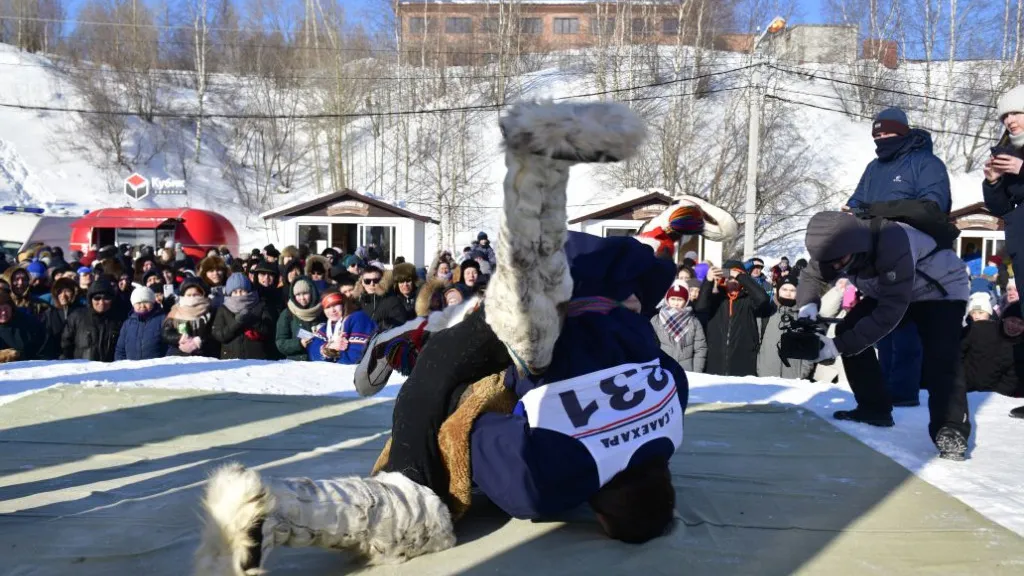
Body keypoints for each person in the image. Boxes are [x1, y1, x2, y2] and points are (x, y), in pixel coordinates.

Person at [194, 101, 689, 573]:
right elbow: (473, 434)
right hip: (526, 336)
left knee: (561, 304)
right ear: (599, 515)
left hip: (592, 298)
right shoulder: (552, 482)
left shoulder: (674, 411)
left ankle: (638, 249)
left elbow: (657, 361)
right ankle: (294, 503)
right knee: (422, 472)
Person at [794, 211, 969, 460]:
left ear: (855, 246)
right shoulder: (834, 247)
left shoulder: (892, 240)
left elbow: (889, 313)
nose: (833, 266)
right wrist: (807, 308)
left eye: (838, 261)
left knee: (942, 354)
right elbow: (812, 275)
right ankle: (873, 408)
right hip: (890, 290)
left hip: (940, 290)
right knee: (848, 330)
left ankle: (950, 428)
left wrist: (835, 347)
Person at [846, 107, 951, 213]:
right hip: (870, 229)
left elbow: (933, 207)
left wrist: (882, 212)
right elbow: (856, 201)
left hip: (906, 229)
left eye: (887, 133)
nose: (882, 138)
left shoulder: (927, 163)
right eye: (877, 135)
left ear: (901, 134)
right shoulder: (872, 167)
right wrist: (851, 211)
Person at [694, 259, 771, 377]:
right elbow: (700, 307)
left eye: (737, 279)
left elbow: (763, 299)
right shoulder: (716, 298)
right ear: (723, 280)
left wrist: (738, 275)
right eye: (729, 278)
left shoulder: (748, 300)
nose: (733, 281)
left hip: (743, 363)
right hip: (715, 363)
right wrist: (708, 280)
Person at [984, 84, 1024, 297]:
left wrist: (1022, 169)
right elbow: (1003, 210)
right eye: (1005, 116)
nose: (1010, 120)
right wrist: (993, 183)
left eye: (1016, 112)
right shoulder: (1008, 152)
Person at [757, 275, 815, 380]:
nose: (788, 293)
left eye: (792, 290)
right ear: (778, 290)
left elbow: (810, 351)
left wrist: (802, 374)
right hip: (765, 377)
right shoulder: (766, 313)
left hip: (793, 380)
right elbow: (755, 343)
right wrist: (759, 369)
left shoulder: (805, 317)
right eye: (784, 289)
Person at [212, 273, 277, 360]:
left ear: (249, 290)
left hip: (258, 361)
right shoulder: (223, 309)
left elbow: (269, 330)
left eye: (242, 291)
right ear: (229, 293)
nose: (239, 295)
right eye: (235, 292)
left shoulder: (261, 305)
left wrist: (251, 320)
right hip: (231, 360)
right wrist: (237, 323)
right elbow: (219, 335)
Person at [309, 287, 376, 364]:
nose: (332, 310)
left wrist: (336, 352)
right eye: (328, 307)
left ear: (344, 304)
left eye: (335, 305)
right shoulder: (325, 328)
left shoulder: (358, 319)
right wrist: (328, 348)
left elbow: (356, 357)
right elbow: (312, 354)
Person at [61, 278, 122, 362]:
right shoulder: (77, 317)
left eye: (106, 298)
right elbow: (66, 345)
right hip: (83, 369)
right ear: (90, 299)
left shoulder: (119, 319)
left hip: (110, 370)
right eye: (97, 298)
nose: (101, 302)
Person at [652, 282, 706, 372]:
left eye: (680, 300)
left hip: (687, 371)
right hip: (663, 369)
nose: (676, 303)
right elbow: (650, 346)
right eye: (673, 299)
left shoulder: (693, 322)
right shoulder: (656, 320)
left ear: (686, 301)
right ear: (667, 299)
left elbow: (700, 349)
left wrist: (697, 373)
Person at [163, 278, 219, 357]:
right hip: (177, 354)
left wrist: (199, 341)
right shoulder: (175, 311)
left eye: (195, 295)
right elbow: (166, 333)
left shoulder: (211, 310)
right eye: (188, 295)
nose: (192, 298)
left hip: (205, 354)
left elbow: (216, 332)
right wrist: (180, 338)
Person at [275, 277, 324, 361]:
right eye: (298, 295)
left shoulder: (321, 311)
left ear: (312, 293)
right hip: (296, 363)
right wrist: (299, 344)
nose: (302, 298)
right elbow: (280, 343)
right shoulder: (287, 313)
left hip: (320, 362)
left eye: (305, 293)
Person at [115, 286, 168, 361]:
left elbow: (170, 346)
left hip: (157, 369)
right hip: (132, 370)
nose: (142, 306)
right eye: (138, 303)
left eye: (146, 302)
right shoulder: (127, 324)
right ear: (133, 305)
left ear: (153, 302)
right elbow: (120, 350)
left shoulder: (163, 320)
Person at [0, 290, 46, 363]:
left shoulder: (28, 323)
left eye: (6, 308)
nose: (3, 313)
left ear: (12, 308)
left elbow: (43, 348)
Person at [40, 277, 81, 359]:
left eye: (67, 291)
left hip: (78, 358)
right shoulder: (49, 314)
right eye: (60, 292)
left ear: (74, 293)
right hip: (55, 359)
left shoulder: (83, 313)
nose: (63, 295)